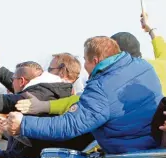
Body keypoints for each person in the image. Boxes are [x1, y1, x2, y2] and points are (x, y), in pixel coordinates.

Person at [7, 36, 163, 158]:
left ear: (95, 61)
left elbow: (69, 125)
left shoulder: (101, 87)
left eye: (85, 61)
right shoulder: (144, 67)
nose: (84, 68)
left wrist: (24, 124)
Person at [15, 13, 166, 115]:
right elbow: (161, 48)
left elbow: (84, 99)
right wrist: (150, 28)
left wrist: (45, 106)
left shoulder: (119, 76)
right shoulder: (161, 63)